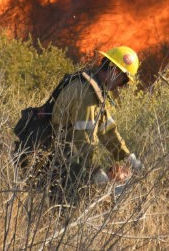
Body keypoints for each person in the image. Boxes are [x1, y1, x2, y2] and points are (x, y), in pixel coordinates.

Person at [48, 46, 142, 202]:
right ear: (112, 69)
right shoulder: (87, 94)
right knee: (69, 212)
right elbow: (82, 140)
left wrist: (127, 157)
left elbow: (107, 130)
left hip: (72, 160)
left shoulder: (96, 89)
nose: (121, 86)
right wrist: (97, 173)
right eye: (123, 80)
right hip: (63, 163)